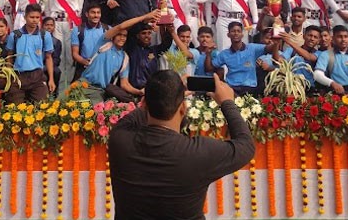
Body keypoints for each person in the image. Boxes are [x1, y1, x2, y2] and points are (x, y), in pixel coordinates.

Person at [108, 70, 255, 220]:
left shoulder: (120, 140)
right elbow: (246, 146)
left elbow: (141, 111)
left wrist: (168, 92)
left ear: (145, 103)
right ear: (183, 108)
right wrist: (227, 102)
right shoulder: (197, 153)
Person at [78, 10, 162, 104]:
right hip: (83, 84)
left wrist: (139, 92)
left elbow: (124, 84)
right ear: (114, 35)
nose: (122, 38)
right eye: (119, 35)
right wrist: (145, 17)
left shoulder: (124, 58)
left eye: (124, 36)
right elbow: (120, 27)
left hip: (98, 92)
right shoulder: (103, 43)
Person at [206, 21, 281, 95]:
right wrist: (208, 54)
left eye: (238, 31)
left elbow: (268, 49)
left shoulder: (252, 48)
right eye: (233, 31)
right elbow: (209, 68)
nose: (236, 33)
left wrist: (275, 43)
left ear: (242, 34)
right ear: (228, 34)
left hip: (250, 88)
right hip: (232, 88)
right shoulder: (224, 54)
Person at [46, 0, 85, 92]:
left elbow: (79, 8)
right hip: (57, 23)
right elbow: (49, 7)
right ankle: (60, 87)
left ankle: (69, 87)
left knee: (70, 55)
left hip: (71, 23)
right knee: (59, 54)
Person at [4, 3, 56, 103]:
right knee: (15, 109)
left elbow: (49, 58)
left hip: (37, 76)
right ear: (25, 17)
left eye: (37, 17)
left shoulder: (44, 35)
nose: (34, 20)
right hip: (18, 76)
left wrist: (51, 79)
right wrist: (9, 78)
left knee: (43, 107)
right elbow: (9, 57)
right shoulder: (15, 35)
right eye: (31, 17)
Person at [313, 25, 348, 94]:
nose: (343, 39)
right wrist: (332, 83)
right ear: (333, 39)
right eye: (339, 37)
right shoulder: (325, 54)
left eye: (346, 37)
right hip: (333, 91)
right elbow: (317, 74)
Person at [71, 4, 111, 80]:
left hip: (102, 69)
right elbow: (75, 53)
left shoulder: (108, 29)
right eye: (93, 12)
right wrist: (85, 62)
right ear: (86, 14)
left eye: (98, 13)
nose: (96, 15)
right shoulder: (77, 30)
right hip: (84, 68)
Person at [43, 17, 62, 96]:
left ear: (54, 27)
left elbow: (56, 58)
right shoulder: (38, 39)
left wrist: (48, 66)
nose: (49, 27)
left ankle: (54, 94)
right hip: (38, 65)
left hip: (51, 65)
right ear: (42, 26)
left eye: (51, 25)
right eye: (47, 25)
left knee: (56, 71)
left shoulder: (57, 42)